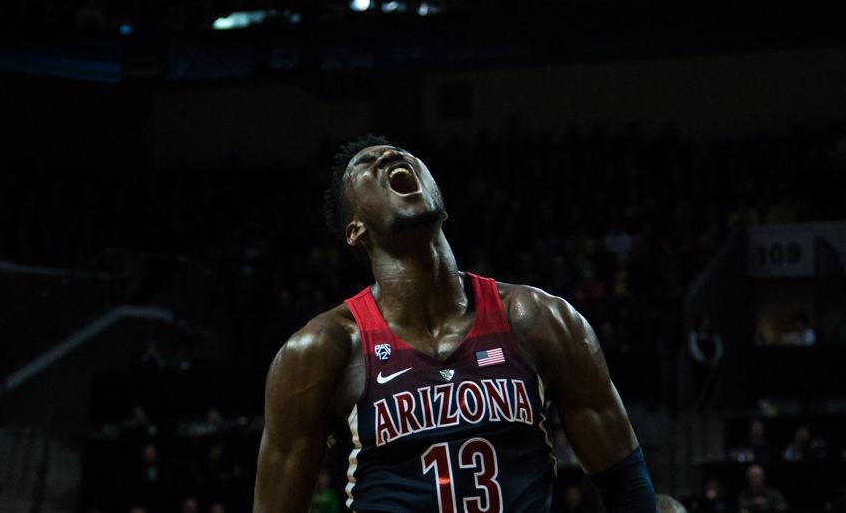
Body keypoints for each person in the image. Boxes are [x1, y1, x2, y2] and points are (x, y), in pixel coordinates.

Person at [253, 136, 656, 512]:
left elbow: (624, 483)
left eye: (401, 154)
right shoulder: (321, 350)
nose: (390, 157)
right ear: (355, 230)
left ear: (440, 199)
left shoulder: (538, 318)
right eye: (367, 163)